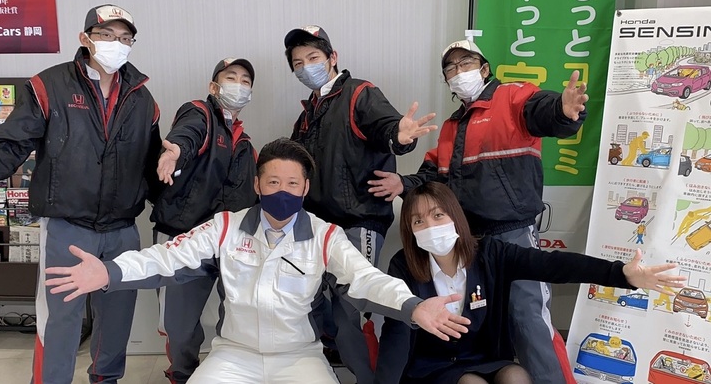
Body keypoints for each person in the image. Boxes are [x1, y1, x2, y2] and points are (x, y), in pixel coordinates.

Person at [44, 138, 470, 384]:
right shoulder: (225, 226)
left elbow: (366, 278)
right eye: (273, 181)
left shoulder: (325, 235)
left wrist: (413, 306)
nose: (282, 191)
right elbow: (167, 257)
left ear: (305, 189)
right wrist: (109, 271)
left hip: (300, 358)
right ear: (257, 184)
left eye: (292, 183)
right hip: (234, 356)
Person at [0, 4, 162, 384]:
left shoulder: (142, 99)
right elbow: (11, 144)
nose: (115, 44)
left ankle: (106, 380)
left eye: (124, 38)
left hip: (122, 230)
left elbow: (152, 165)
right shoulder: (48, 86)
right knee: (59, 323)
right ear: (85, 38)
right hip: (68, 229)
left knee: (117, 321)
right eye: (106, 35)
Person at [368, 39, 589, 384]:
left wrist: (562, 111)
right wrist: (402, 183)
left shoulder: (513, 97)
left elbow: (543, 111)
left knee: (527, 317)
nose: (459, 72)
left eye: (466, 63)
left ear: (484, 68)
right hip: (470, 243)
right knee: (480, 320)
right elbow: (433, 177)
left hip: (512, 233)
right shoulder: (451, 128)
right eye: (451, 68)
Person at [375, 181, 686, 384]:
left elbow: (552, 265)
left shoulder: (490, 254)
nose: (430, 226)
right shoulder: (403, 266)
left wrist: (620, 274)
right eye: (418, 221)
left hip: (484, 359)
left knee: (516, 376)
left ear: (455, 217)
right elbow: (395, 332)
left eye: (438, 215)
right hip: (433, 366)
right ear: (410, 230)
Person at [284, 25, 437, 383]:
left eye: (313, 57)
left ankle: (370, 378)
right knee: (311, 303)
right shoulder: (306, 116)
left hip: (358, 221)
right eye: (298, 63)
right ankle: (340, 362)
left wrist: (400, 137)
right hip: (316, 227)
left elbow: (388, 129)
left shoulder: (359, 93)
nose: (306, 67)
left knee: (351, 308)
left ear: (332, 58)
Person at [151, 57, 258, 383]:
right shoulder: (200, 113)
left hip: (230, 245)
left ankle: (227, 373)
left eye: (245, 81)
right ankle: (182, 374)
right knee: (179, 325)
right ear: (214, 86)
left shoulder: (246, 146)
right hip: (184, 237)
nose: (238, 85)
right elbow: (187, 135)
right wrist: (175, 152)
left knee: (238, 317)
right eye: (231, 78)